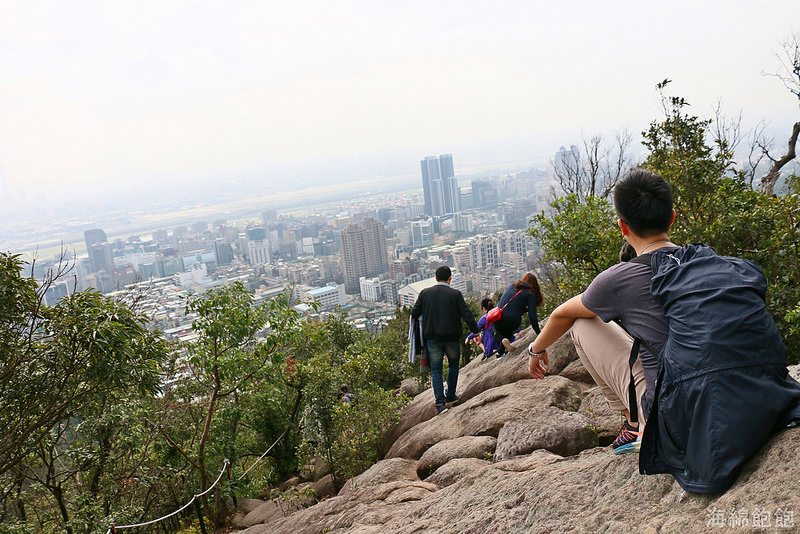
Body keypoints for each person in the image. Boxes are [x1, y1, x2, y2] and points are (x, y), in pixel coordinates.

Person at [525, 167, 800, 465]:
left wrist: (535, 350)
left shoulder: (619, 279)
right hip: (757, 399)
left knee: (581, 322)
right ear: (671, 217)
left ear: (623, 226)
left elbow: (561, 315)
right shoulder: (714, 262)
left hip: (681, 421)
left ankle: (635, 424)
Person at [411, 266, 479, 415]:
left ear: (436, 278)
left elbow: (414, 312)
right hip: (451, 338)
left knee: (436, 370)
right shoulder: (455, 294)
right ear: (450, 279)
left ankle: (440, 403)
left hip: (433, 339)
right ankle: (451, 395)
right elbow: (466, 314)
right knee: (453, 366)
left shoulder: (425, 293)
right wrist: (475, 331)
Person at [494, 273, 542, 359]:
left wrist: (522, 309)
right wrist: (539, 333)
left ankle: (500, 353)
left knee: (504, 332)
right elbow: (532, 317)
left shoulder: (512, 286)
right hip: (512, 322)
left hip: (497, 319)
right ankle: (502, 346)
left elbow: (508, 304)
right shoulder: (530, 293)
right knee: (509, 325)